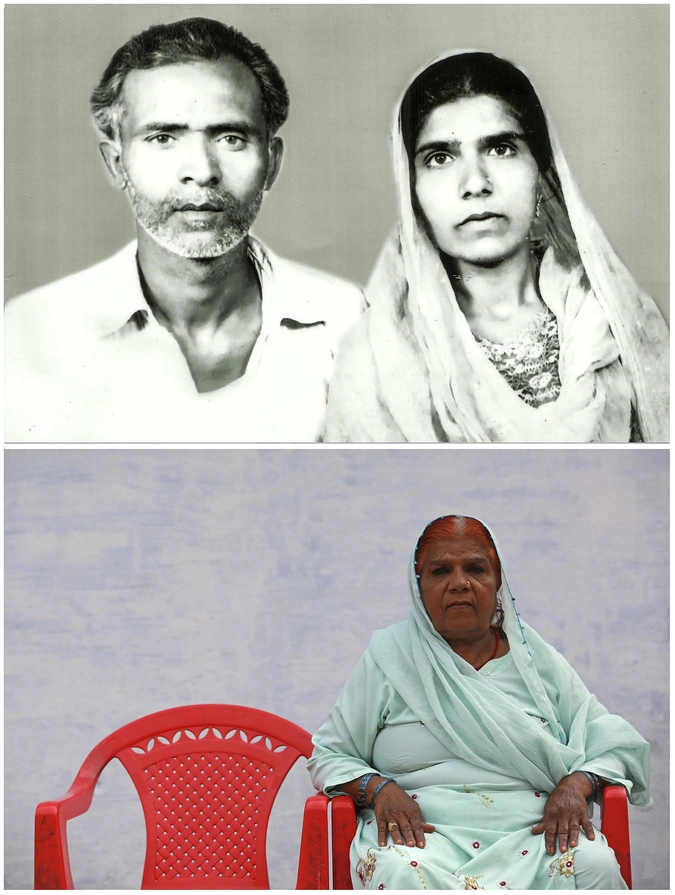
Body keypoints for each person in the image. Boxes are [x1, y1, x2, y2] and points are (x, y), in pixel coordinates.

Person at [5, 17, 363, 442]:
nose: (201, 171)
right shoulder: (32, 332)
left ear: (273, 163)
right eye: (162, 138)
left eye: (230, 137)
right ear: (116, 164)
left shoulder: (348, 323)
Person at [323, 52, 669, 442]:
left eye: (501, 149)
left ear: (541, 172)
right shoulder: (376, 358)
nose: (475, 183)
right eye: (439, 158)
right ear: (412, 191)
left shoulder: (617, 318)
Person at [308, 514, 651, 890]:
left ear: (498, 581)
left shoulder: (537, 663)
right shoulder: (390, 660)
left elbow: (613, 740)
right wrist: (379, 789)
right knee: (402, 873)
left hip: (536, 835)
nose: (459, 584)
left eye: (475, 568)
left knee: (594, 864)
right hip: (420, 839)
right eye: (440, 571)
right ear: (418, 585)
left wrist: (577, 784)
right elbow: (329, 755)